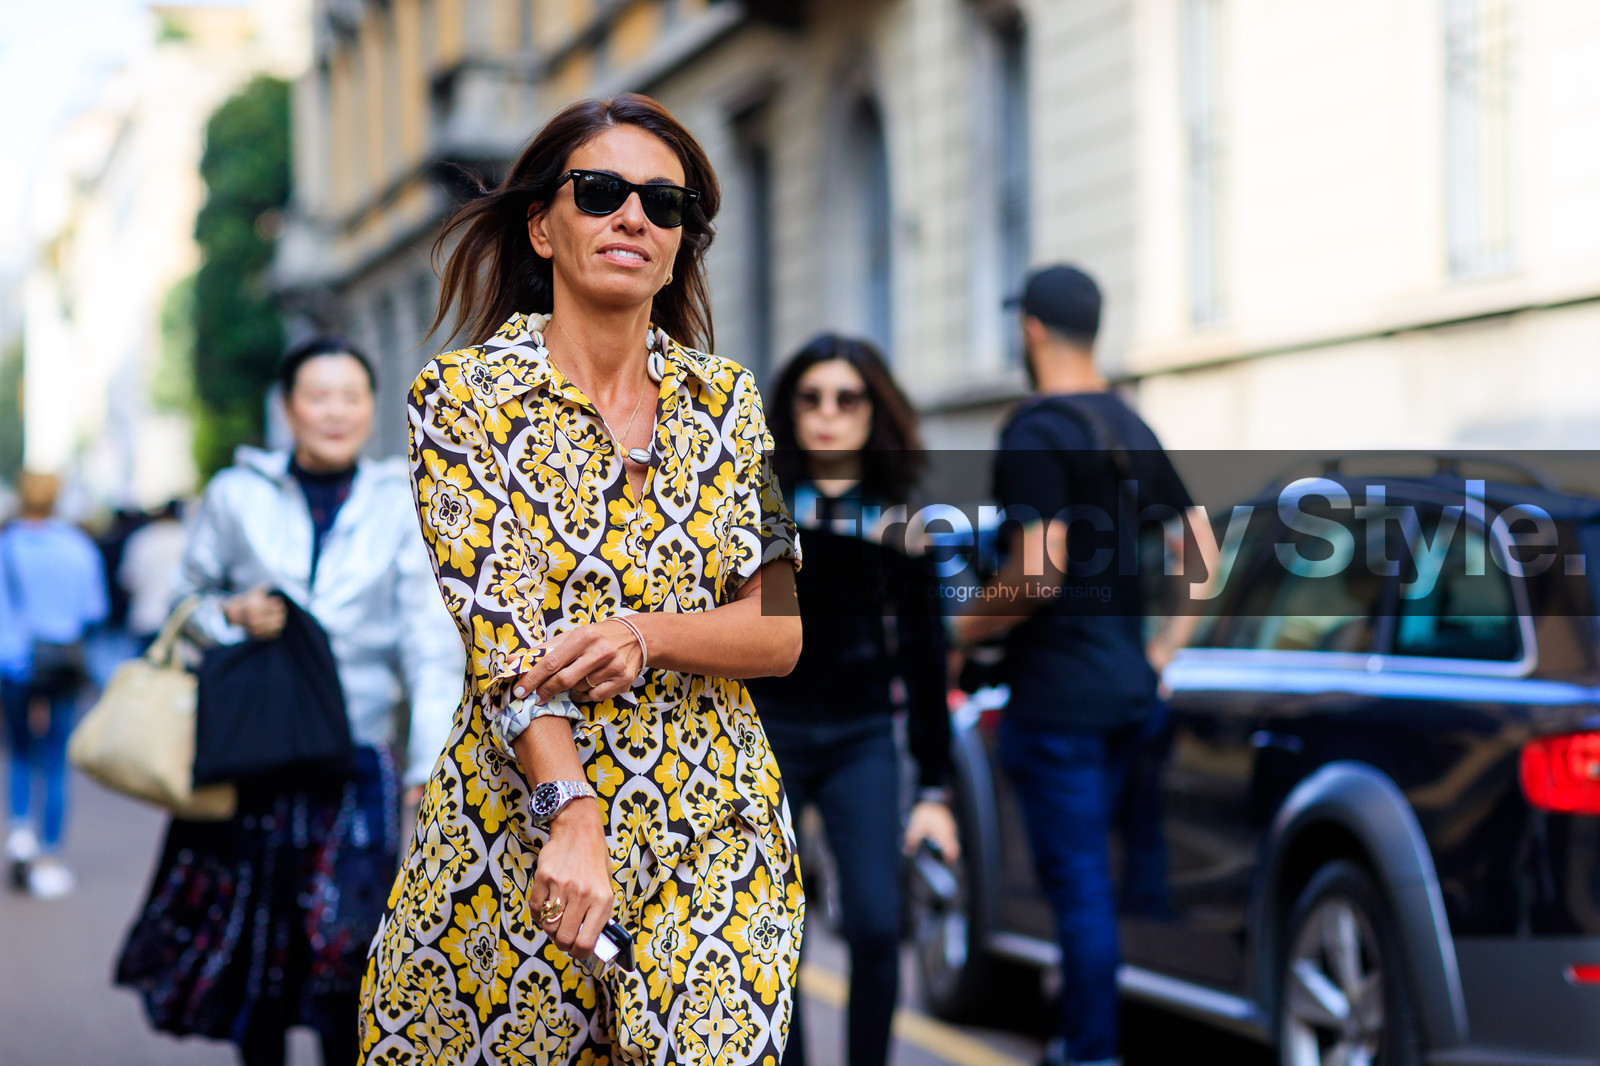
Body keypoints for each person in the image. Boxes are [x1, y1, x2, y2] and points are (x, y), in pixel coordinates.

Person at [358, 94, 805, 1066]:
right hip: (515, 821)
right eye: (600, 192)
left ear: (680, 244)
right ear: (541, 225)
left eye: (663, 203)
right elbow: (504, 642)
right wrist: (571, 812)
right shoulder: (461, 399)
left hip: (712, 824)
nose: (632, 216)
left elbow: (777, 630)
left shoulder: (730, 404)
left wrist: (647, 634)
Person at [114, 336, 464, 1066]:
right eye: (317, 396)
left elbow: (428, 645)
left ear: (371, 408)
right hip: (254, 757)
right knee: (257, 961)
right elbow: (184, 604)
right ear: (288, 408)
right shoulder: (235, 495)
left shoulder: (401, 500)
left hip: (355, 760)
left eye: (351, 397)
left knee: (352, 961)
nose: (335, 412)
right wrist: (230, 614)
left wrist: (426, 767)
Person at [951, 265, 1194, 1066]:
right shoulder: (1130, 422)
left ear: (1030, 330)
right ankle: (1081, 1036)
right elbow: (1201, 548)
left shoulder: (1036, 430)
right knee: (1101, 886)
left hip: (1058, 702)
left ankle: (1089, 1052)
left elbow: (1038, 569)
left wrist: (959, 631)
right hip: (1129, 692)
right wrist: (1160, 650)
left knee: (1081, 888)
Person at [751, 334, 958, 1066]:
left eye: (848, 399)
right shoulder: (760, 503)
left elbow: (926, 661)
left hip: (861, 735)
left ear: (874, 411)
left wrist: (933, 788)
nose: (829, 415)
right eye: (811, 399)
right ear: (790, 410)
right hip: (767, 727)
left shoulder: (902, 521)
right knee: (776, 929)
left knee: (876, 923)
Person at [0, 471, 109, 899]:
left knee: (20, 751)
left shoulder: (7, 547)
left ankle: (20, 829)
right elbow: (93, 610)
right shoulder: (78, 548)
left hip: (13, 665)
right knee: (55, 758)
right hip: (62, 663)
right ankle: (49, 852)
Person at [118, 499, 189, 653]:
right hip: (179, 621)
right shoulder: (188, 538)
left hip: (145, 618)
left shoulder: (141, 538)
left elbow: (128, 583)